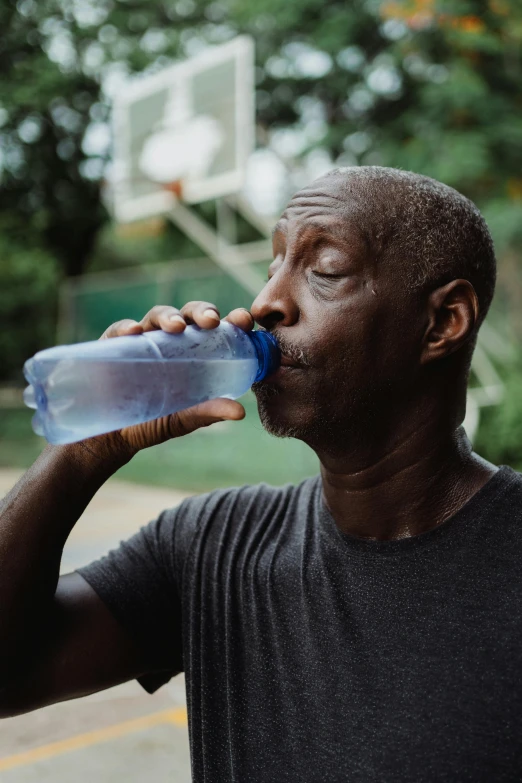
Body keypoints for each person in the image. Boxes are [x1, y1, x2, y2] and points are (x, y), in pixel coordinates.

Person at [0, 166, 519, 782]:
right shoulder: (213, 544)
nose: (266, 302)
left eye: (324, 270)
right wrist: (84, 452)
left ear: (443, 322)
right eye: (274, 265)